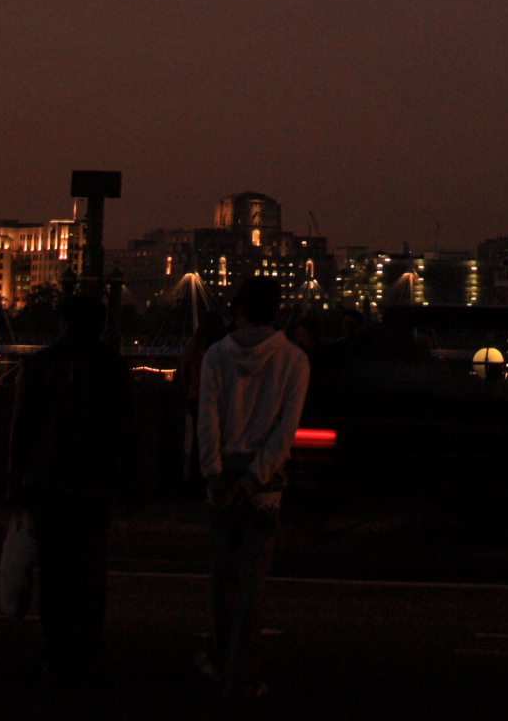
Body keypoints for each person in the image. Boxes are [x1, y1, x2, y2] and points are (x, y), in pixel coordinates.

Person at [7, 289, 138, 684]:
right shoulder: (113, 367)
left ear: (62, 323)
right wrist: (129, 484)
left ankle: (57, 651)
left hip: (49, 483)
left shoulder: (39, 365)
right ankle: (88, 648)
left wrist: (16, 485)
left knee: (54, 573)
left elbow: (22, 432)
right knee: (90, 572)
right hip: (94, 485)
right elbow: (125, 432)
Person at [197, 276, 309, 699]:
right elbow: (286, 432)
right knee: (251, 585)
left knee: (220, 578)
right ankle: (243, 674)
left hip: (223, 476)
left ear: (238, 310)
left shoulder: (215, 356)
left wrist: (215, 475)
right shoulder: (295, 360)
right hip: (265, 488)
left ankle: (218, 658)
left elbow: (207, 421)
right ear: (276, 312)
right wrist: (254, 479)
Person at [173, 308, 228, 491]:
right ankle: (205, 480)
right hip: (209, 397)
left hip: (192, 396)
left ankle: (193, 480)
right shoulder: (214, 347)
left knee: (197, 440)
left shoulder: (192, 344)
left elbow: (183, 371)